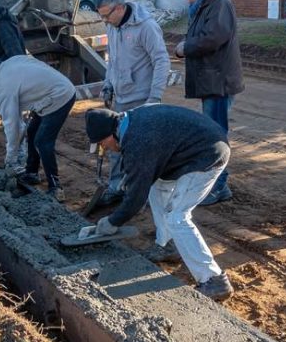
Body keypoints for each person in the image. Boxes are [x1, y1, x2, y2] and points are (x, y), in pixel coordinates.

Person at [76, 105, 235, 302]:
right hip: (186, 151)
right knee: (156, 188)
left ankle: (214, 280)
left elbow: (136, 198)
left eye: (102, 143)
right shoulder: (129, 122)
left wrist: (112, 222)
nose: (104, 148)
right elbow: (144, 170)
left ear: (111, 134)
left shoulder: (139, 140)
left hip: (207, 156)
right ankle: (167, 245)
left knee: (177, 217)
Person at [173, 0, 244, 206]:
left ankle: (219, 186)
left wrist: (186, 47)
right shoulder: (206, 4)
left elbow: (212, 38)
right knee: (213, 132)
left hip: (218, 82)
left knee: (216, 136)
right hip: (212, 81)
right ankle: (215, 184)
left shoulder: (219, 3)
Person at [95, 0, 170, 208]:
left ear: (120, 8)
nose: (105, 21)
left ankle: (141, 193)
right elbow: (112, 60)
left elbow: (162, 61)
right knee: (115, 146)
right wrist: (108, 84)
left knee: (140, 151)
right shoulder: (113, 26)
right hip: (120, 97)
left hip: (142, 101)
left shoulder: (145, 27)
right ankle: (115, 187)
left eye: (107, 15)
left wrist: (154, 98)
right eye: (102, 17)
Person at [0, 55, 76, 200]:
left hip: (59, 96)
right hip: (56, 89)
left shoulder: (1, 88)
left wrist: (10, 158)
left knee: (42, 141)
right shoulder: (9, 63)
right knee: (32, 131)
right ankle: (32, 172)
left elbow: (12, 126)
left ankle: (56, 188)